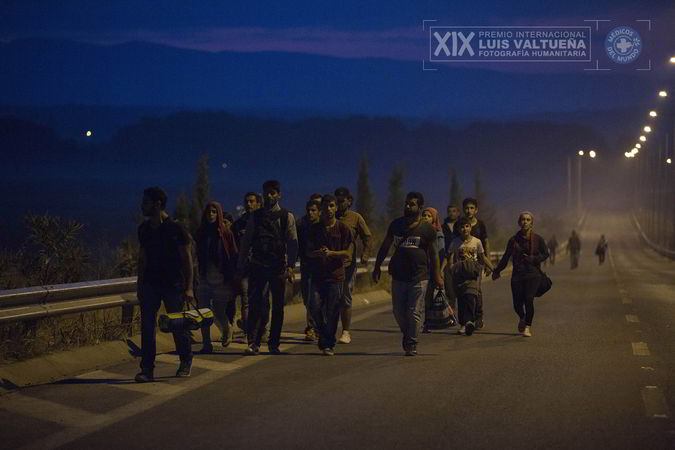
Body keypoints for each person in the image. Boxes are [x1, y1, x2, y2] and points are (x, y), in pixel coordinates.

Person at [372, 192, 443, 356]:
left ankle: (411, 342)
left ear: (420, 207)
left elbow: (433, 254)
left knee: (414, 311)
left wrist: (437, 275)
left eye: (411, 204)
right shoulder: (396, 225)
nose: (407, 206)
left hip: (420, 276)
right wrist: (377, 267)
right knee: (398, 311)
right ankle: (408, 333)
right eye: (406, 203)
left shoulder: (427, 229)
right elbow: (385, 246)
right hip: (399, 275)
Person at [135, 187, 194, 382]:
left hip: (173, 284)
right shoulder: (143, 229)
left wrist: (189, 287)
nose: (142, 205)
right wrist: (140, 285)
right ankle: (147, 368)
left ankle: (185, 359)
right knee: (147, 327)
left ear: (157, 204)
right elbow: (142, 258)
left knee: (177, 325)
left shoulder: (176, 229)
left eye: (146, 202)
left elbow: (187, 259)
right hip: (150, 284)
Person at [236, 180, 298, 355]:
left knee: (278, 307)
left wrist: (291, 266)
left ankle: (274, 343)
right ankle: (253, 342)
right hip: (258, 266)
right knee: (256, 305)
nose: (269, 196)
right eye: (266, 193)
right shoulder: (255, 217)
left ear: (279, 195)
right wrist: (241, 266)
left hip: (278, 267)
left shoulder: (287, 217)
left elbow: (293, 244)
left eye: (273, 193)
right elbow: (246, 243)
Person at [306, 195, 354, 356]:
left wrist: (332, 253)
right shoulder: (314, 229)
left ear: (335, 208)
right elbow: (307, 252)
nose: (328, 209)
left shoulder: (342, 229)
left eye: (332, 206)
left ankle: (328, 343)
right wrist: (317, 253)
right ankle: (323, 334)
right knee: (314, 307)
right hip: (318, 276)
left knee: (333, 311)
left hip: (336, 276)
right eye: (325, 206)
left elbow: (348, 254)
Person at [492, 212, 549, 338]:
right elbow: (506, 258)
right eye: (523, 220)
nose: (525, 222)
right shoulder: (513, 240)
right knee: (517, 303)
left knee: (529, 299)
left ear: (532, 223)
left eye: (528, 220)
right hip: (517, 275)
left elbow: (546, 254)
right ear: (519, 222)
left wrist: (534, 259)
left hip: (533, 274)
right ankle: (522, 317)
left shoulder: (538, 239)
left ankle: (528, 326)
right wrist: (497, 271)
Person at [194, 201, 238, 353]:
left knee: (219, 312)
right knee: (203, 312)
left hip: (222, 279)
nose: (211, 215)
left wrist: (232, 279)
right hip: (205, 277)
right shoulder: (201, 233)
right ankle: (206, 344)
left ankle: (227, 329)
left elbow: (232, 255)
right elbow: (196, 255)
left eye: (214, 212)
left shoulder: (226, 233)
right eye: (208, 212)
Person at [334, 187, 372, 344]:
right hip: (329, 265)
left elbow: (367, 237)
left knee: (345, 298)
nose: (338, 204)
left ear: (349, 202)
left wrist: (365, 254)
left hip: (347, 265)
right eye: (336, 201)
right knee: (329, 298)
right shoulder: (329, 216)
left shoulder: (355, 218)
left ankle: (346, 331)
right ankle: (325, 330)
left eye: (341, 201)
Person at [445, 216, 494, 335]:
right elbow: (450, 257)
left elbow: (482, 257)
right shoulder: (455, 242)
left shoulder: (477, 241)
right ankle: (464, 324)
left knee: (471, 296)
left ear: (470, 227)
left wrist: (493, 268)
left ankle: (470, 321)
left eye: (467, 226)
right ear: (458, 228)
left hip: (473, 273)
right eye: (462, 227)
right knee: (461, 298)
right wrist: (450, 268)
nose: (464, 229)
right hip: (460, 274)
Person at [452, 198, 490, 329]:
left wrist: (487, 263)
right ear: (463, 210)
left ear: (476, 210)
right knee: (464, 292)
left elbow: (485, 243)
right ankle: (468, 319)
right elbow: (454, 245)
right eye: (467, 208)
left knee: (476, 291)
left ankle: (477, 317)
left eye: (471, 208)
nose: (469, 210)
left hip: (476, 264)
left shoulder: (480, 225)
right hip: (462, 266)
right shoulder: (460, 224)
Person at [231, 192, 263, 333]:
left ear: (258, 203)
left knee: (261, 299)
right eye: (246, 201)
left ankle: (262, 329)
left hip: (261, 266)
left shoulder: (263, 222)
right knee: (246, 300)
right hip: (245, 268)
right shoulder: (239, 224)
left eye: (251, 201)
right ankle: (249, 332)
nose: (248, 204)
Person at [296, 198, 321, 341]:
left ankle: (313, 327)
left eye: (313, 210)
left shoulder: (323, 226)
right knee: (307, 298)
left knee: (316, 299)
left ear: (319, 212)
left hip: (321, 267)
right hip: (306, 266)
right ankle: (314, 326)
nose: (310, 213)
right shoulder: (302, 225)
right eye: (309, 210)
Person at [421, 207, 446, 333]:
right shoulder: (418, 232)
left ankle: (429, 322)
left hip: (432, 269)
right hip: (421, 268)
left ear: (434, 218)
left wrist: (439, 271)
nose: (425, 218)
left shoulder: (438, 234)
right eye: (424, 215)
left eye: (429, 216)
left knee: (428, 297)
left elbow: (440, 253)